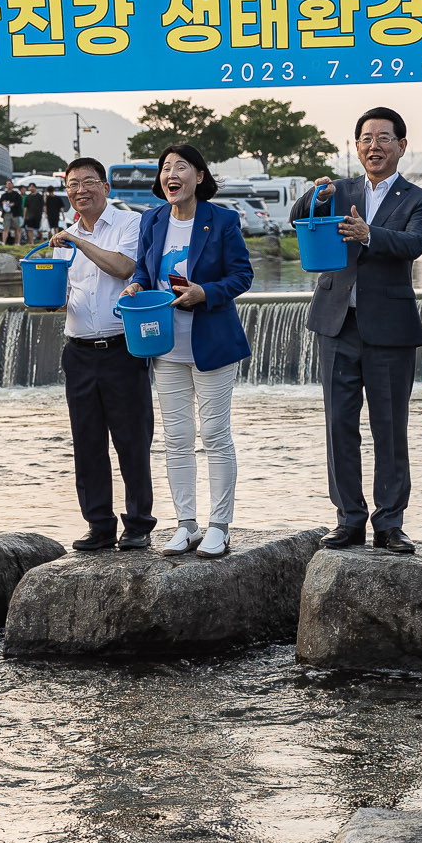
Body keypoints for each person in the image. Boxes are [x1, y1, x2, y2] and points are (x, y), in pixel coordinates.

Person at [304, 107, 422, 554]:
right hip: (337, 325)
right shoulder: (337, 191)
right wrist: (313, 195)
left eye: (383, 138)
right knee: (339, 425)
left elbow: (414, 244)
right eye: (365, 139)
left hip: (390, 329)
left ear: (401, 145)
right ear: (356, 146)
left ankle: (390, 523)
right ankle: (348, 519)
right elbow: (300, 219)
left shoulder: (419, 198)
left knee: (390, 428)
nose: (373, 146)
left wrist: (368, 234)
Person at [133, 143, 253, 558]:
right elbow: (143, 269)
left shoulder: (221, 220)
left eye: (181, 167)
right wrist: (135, 285)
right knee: (177, 439)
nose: (171, 174)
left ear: (199, 176)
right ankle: (186, 525)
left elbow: (242, 275)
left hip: (213, 344)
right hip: (165, 346)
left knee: (216, 436)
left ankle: (219, 526)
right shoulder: (152, 220)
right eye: (165, 167)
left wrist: (206, 292)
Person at [52, 157, 154, 551]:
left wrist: (78, 241)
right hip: (77, 352)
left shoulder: (129, 223)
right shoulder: (64, 239)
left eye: (89, 182)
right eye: (72, 184)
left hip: (121, 349)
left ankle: (139, 524)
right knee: (87, 443)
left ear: (106, 187)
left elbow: (124, 266)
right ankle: (99, 524)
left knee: (132, 440)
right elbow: (64, 293)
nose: (80, 190)